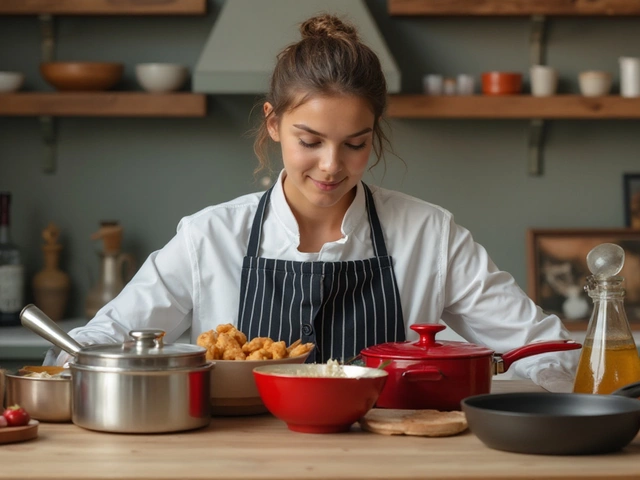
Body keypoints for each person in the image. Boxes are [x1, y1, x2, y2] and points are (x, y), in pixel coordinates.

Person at [44, 14, 578, 391]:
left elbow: (545, 347)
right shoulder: (210, 236)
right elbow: (104, 338)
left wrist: (548, 392)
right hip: (241, 462)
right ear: (273, 123)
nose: (331, 166)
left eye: (355, 144)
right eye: (310, 140)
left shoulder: (428, 233)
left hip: (392, 459)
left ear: (375, 134)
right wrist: (67, 369)